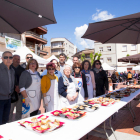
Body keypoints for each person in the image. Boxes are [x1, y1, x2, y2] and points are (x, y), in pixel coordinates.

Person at [0, 51, 15, 125]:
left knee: (5, 120)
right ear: (2, 58)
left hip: (8, 99)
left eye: (10, 57)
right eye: (6, 57)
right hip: (0, 99)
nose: (8, 59)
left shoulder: (12, 70)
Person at [9, 55, 25, 122]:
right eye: (15, 59)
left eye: (18, 59)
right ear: (12, 59)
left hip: (20, 94)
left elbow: (24, 80)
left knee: (19, 110)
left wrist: (19, 87)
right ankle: (9, 123)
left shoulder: (22, 69)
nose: (17, 60)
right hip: (10, 94)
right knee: (10, 111)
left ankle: (17, 123)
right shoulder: (8, 68)